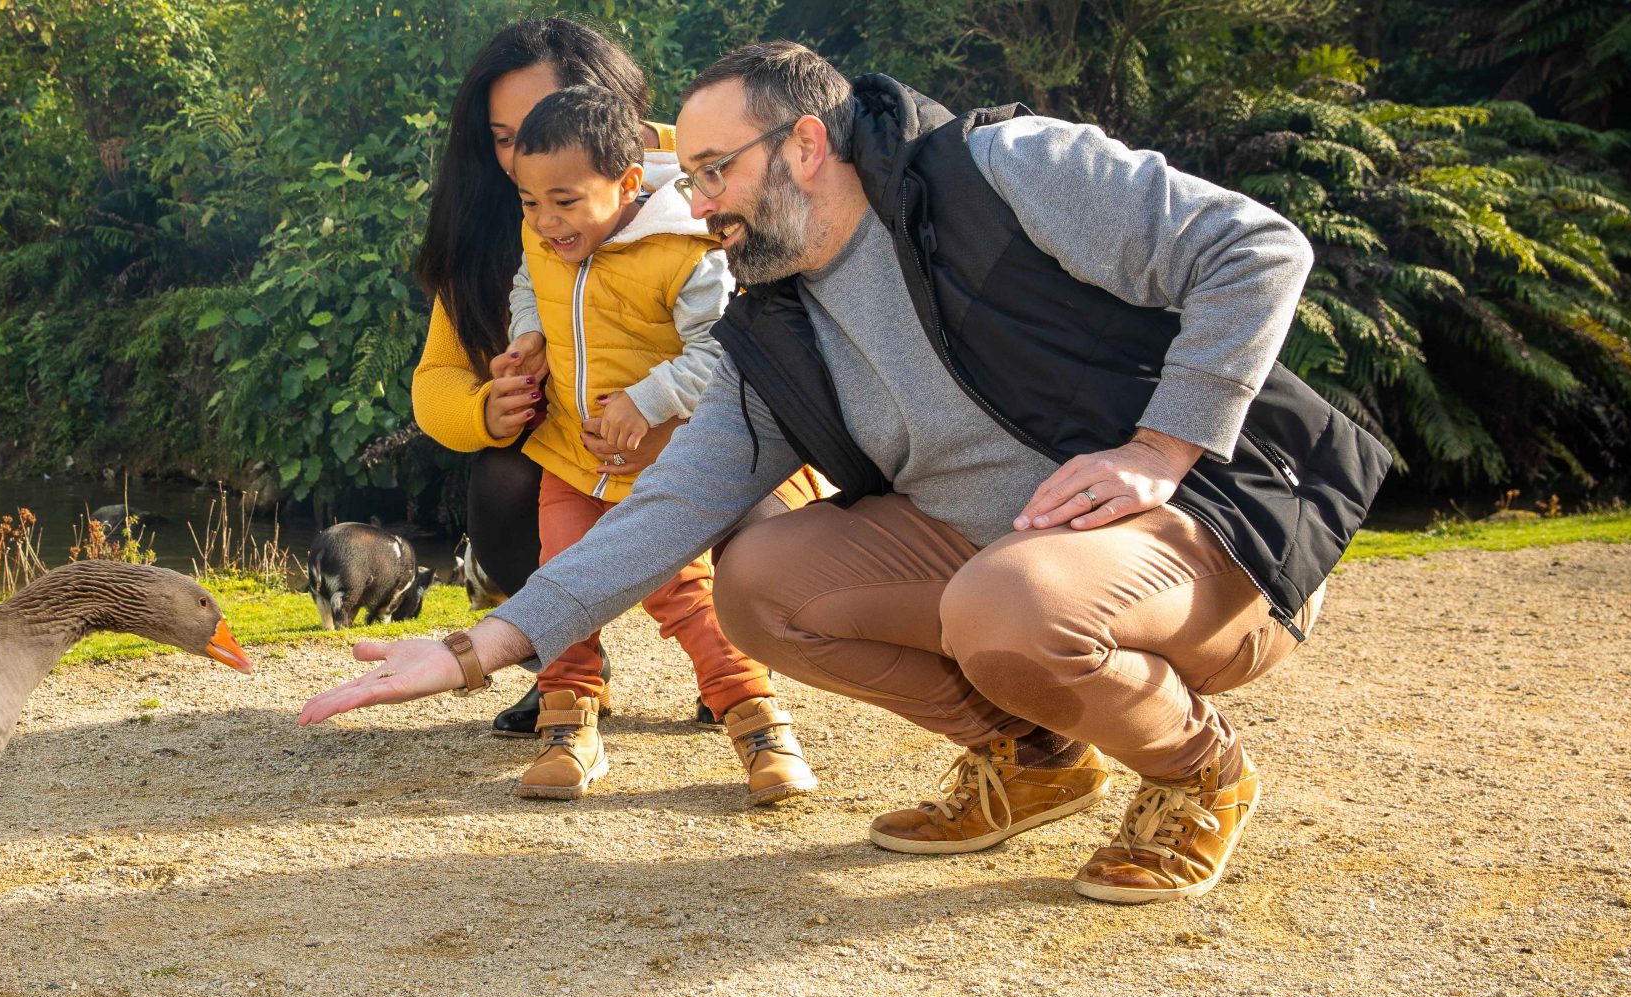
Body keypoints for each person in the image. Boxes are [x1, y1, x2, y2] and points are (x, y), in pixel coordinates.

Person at [309, 40, 1389, 905]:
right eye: (687, 179)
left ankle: (1199, 769)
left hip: (1207, 541)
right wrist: (481, 645)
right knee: (761, 583)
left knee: (1003, 599)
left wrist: (1162, 447)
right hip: (1009, 573)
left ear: (807, 144)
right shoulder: (769, 322)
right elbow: (672, 506)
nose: (700, 205)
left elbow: (1258, 249)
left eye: (715, 173)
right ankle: (1036, 755)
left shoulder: (1004, 173)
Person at [408, 18, 823, 737]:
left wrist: (666, 409)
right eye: (504, 137)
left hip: (721, 429)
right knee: (506, 481)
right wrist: (488, 406)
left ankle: (737, 676)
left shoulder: (695, 178)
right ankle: (567, 674)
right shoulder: (511, 214)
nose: (522, 157)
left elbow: (761, 338)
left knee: (721, 536)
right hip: (585, 445)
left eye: (545, 120)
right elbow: (436, 378)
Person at [488, 84, 815, 804]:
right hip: (573, 457)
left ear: (629, 183)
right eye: (529, 203)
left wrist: (648, 399)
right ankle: (568, 720)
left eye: (565, 202)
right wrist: (528, 337)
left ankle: (756, 722)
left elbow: (720, 352)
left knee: (682, 591)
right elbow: (528, 286)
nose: (545, 222)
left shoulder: (686, 251)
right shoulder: (543, 241)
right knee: (562, 576)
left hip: (664, 464)